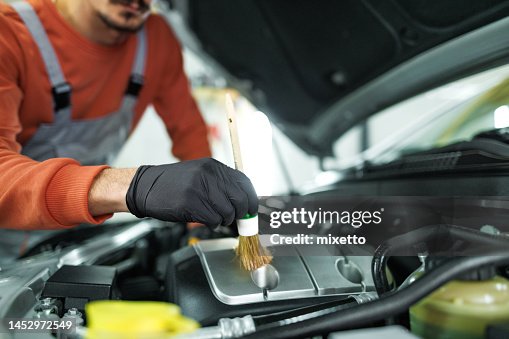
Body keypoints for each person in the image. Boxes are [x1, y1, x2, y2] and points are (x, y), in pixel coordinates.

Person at [0, 0, 258, 263]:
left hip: (77, 237)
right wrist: (135, 185)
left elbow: (189, 131)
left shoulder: (156, 39)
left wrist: (202, 219)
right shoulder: (8, 30)